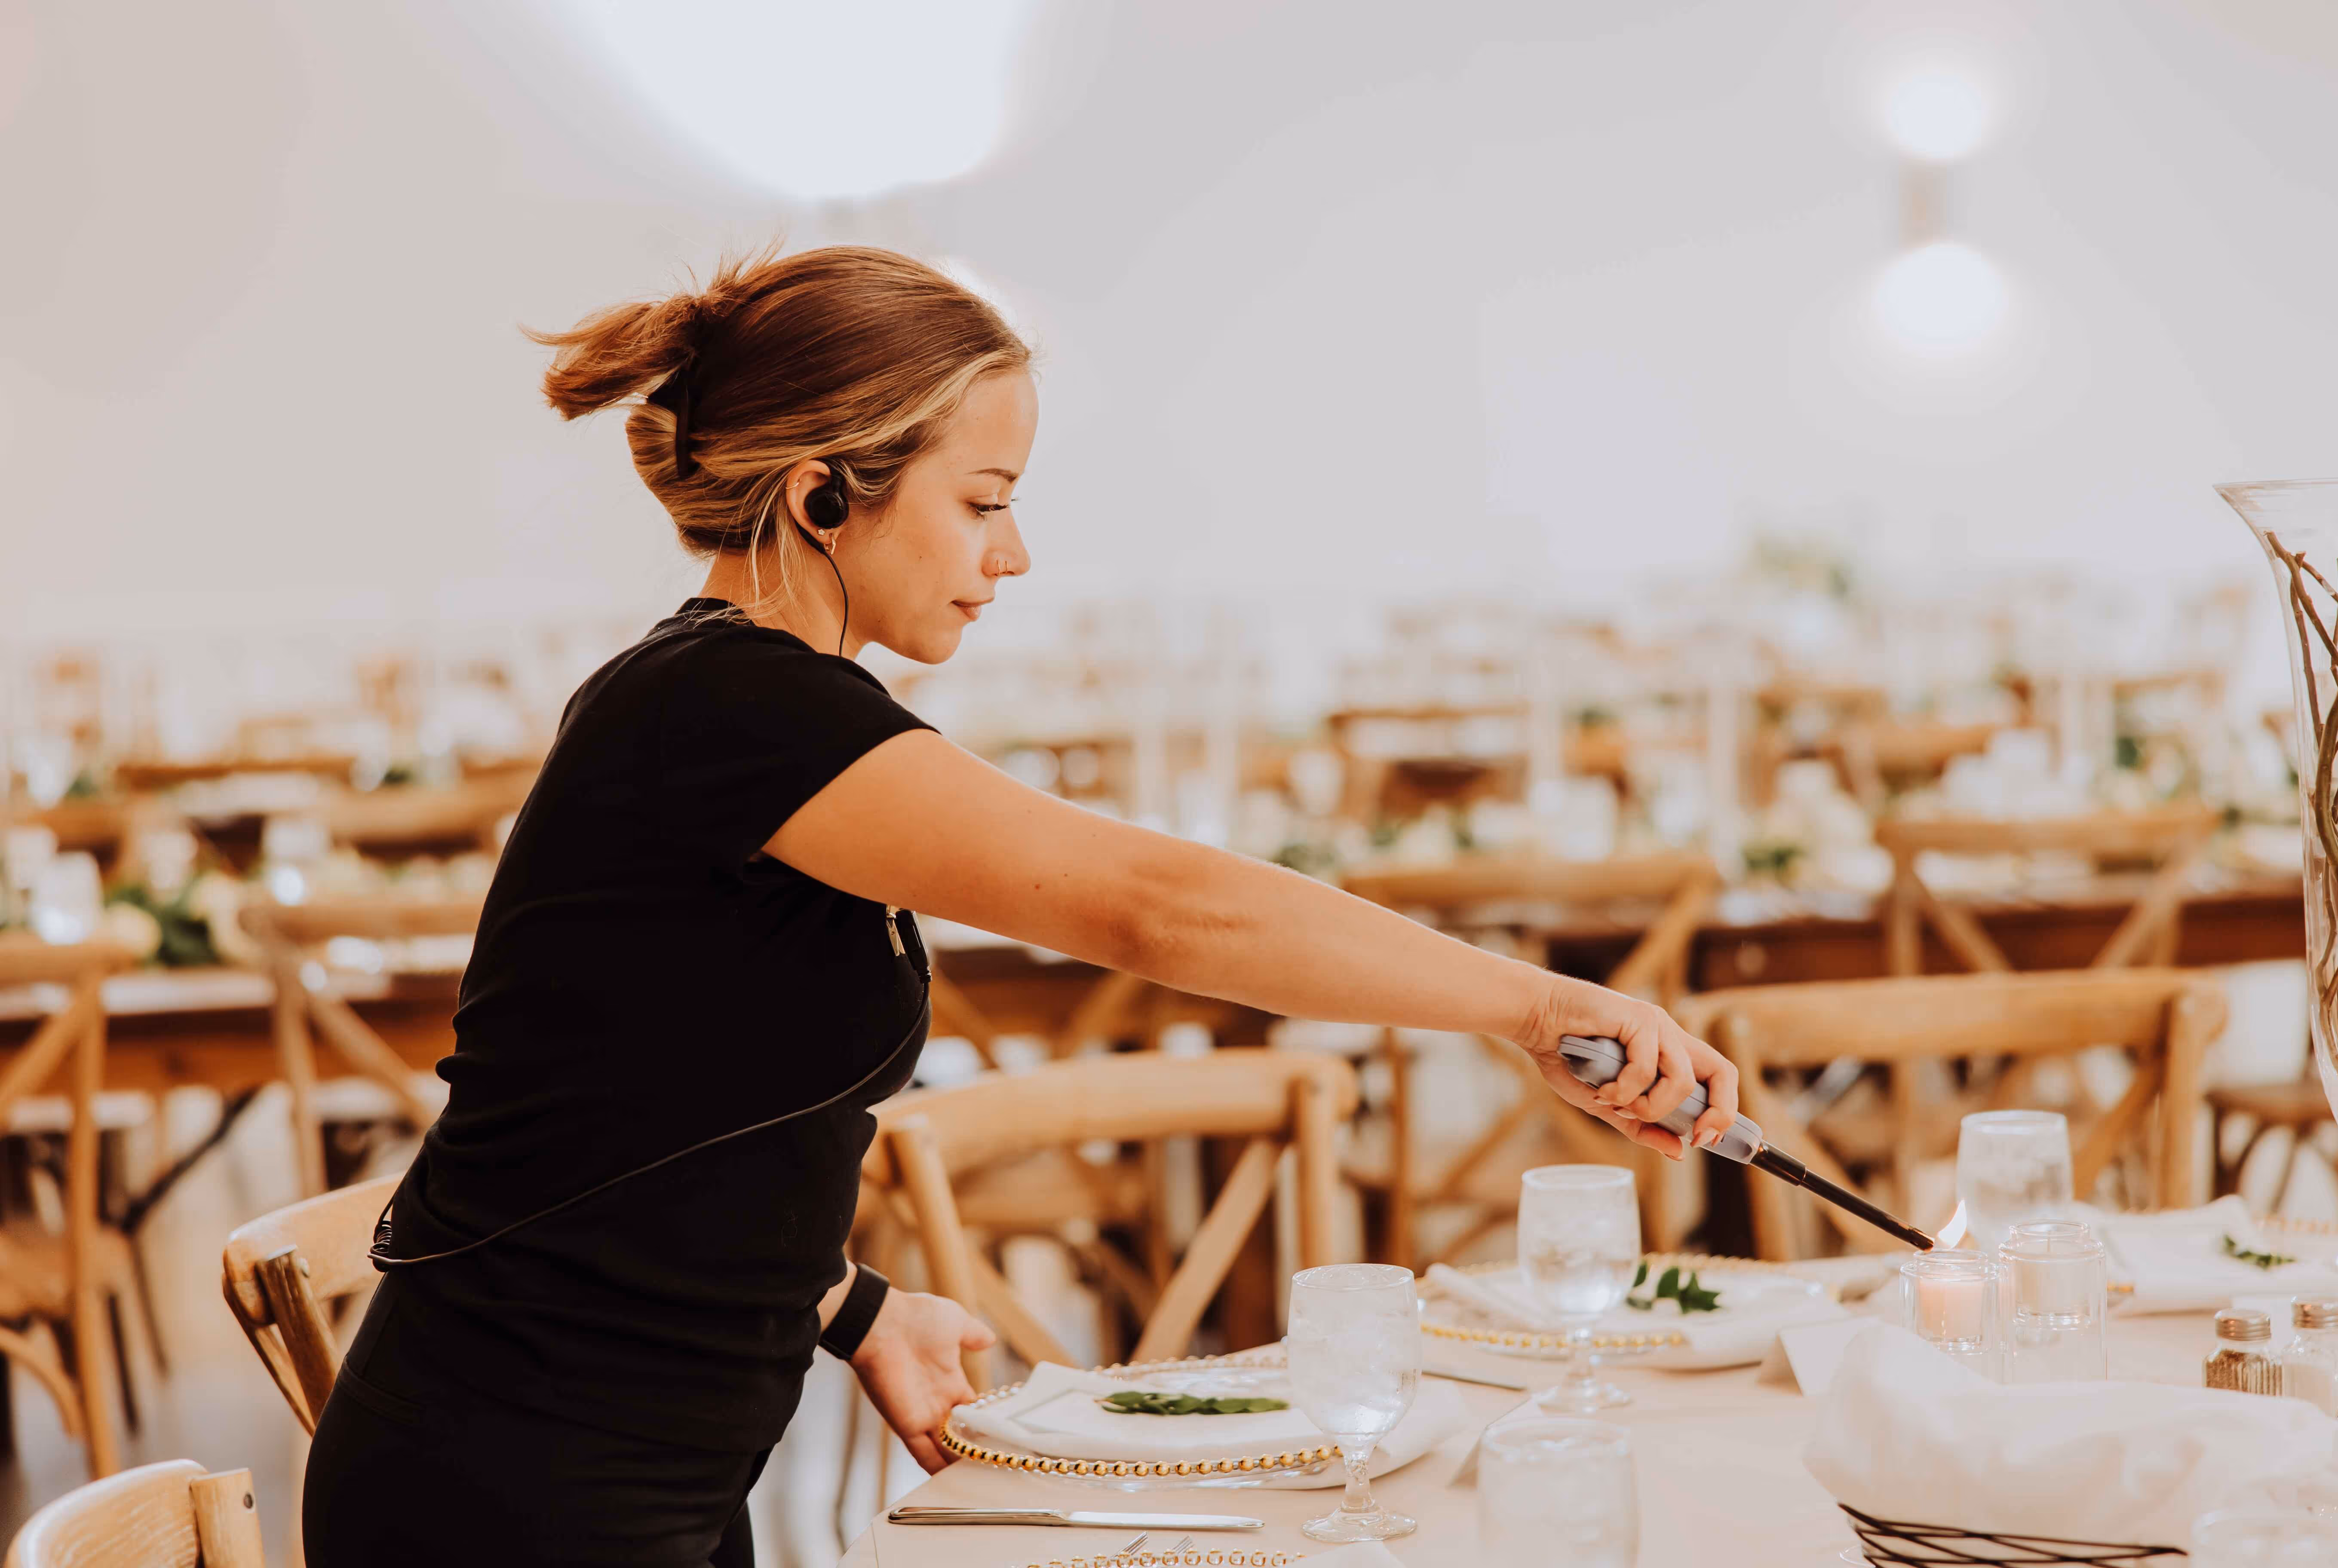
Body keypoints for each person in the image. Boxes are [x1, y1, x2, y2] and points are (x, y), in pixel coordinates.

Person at [301, 245, 1741, 1567]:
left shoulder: (745, 711)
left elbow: (645, 1102)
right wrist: (1535, 1006)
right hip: (518, 1485)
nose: (1014, 554)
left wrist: (849, 1306)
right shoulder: (726, 706)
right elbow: (1157, 908)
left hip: (620, 1454)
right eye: (982, 504)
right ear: (821, 496)